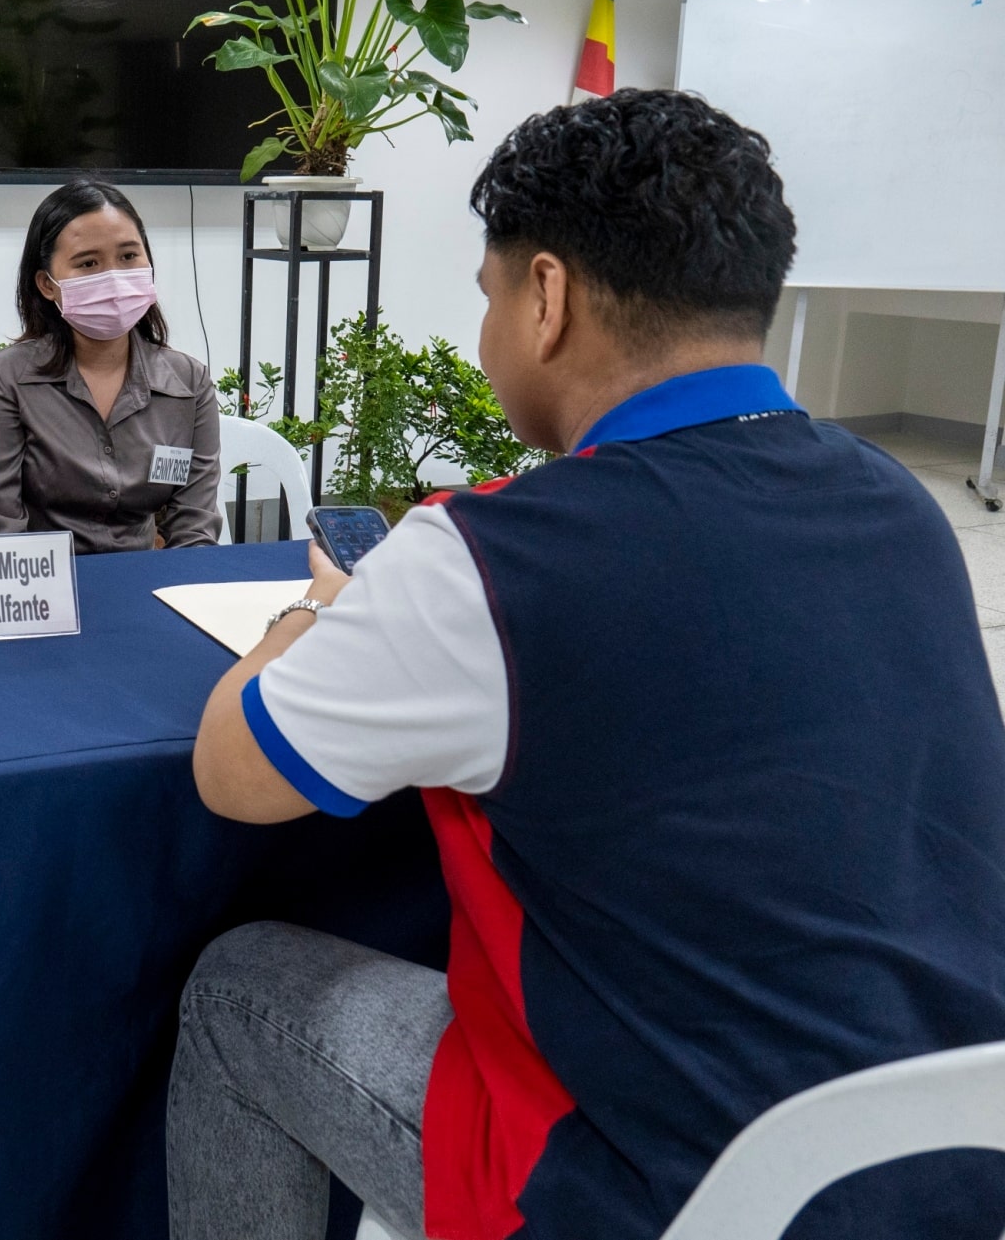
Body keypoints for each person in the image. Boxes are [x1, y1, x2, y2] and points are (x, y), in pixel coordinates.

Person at [170, 90, 1005, 1240]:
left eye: (488, 296)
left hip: (658, 1195)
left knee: (236, 989)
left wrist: (309, 617)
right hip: (951, 1166)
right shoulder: (897, 501)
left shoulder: (489, 555)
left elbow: (234, 768)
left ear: (546, 296)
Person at [0, 179, 220, 553]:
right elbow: (0, 537)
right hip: (43, 590)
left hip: (151, 585)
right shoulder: (7, 382)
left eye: (129, 257)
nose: (113, 276)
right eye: (88, 263)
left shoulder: (188, 384)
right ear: (47, 284)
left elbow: (193, 529)